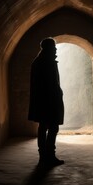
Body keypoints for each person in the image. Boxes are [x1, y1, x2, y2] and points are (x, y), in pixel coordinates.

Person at [28, 37, 65, 166]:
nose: (55, 50)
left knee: (43, 127)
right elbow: (49, 85)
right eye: (53, 47)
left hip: (43, 102)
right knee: (52, 128)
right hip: (49, 102)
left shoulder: (39, 61)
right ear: (48, 48)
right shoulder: (47, 62)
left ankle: (44, 156)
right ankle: (48, 156)